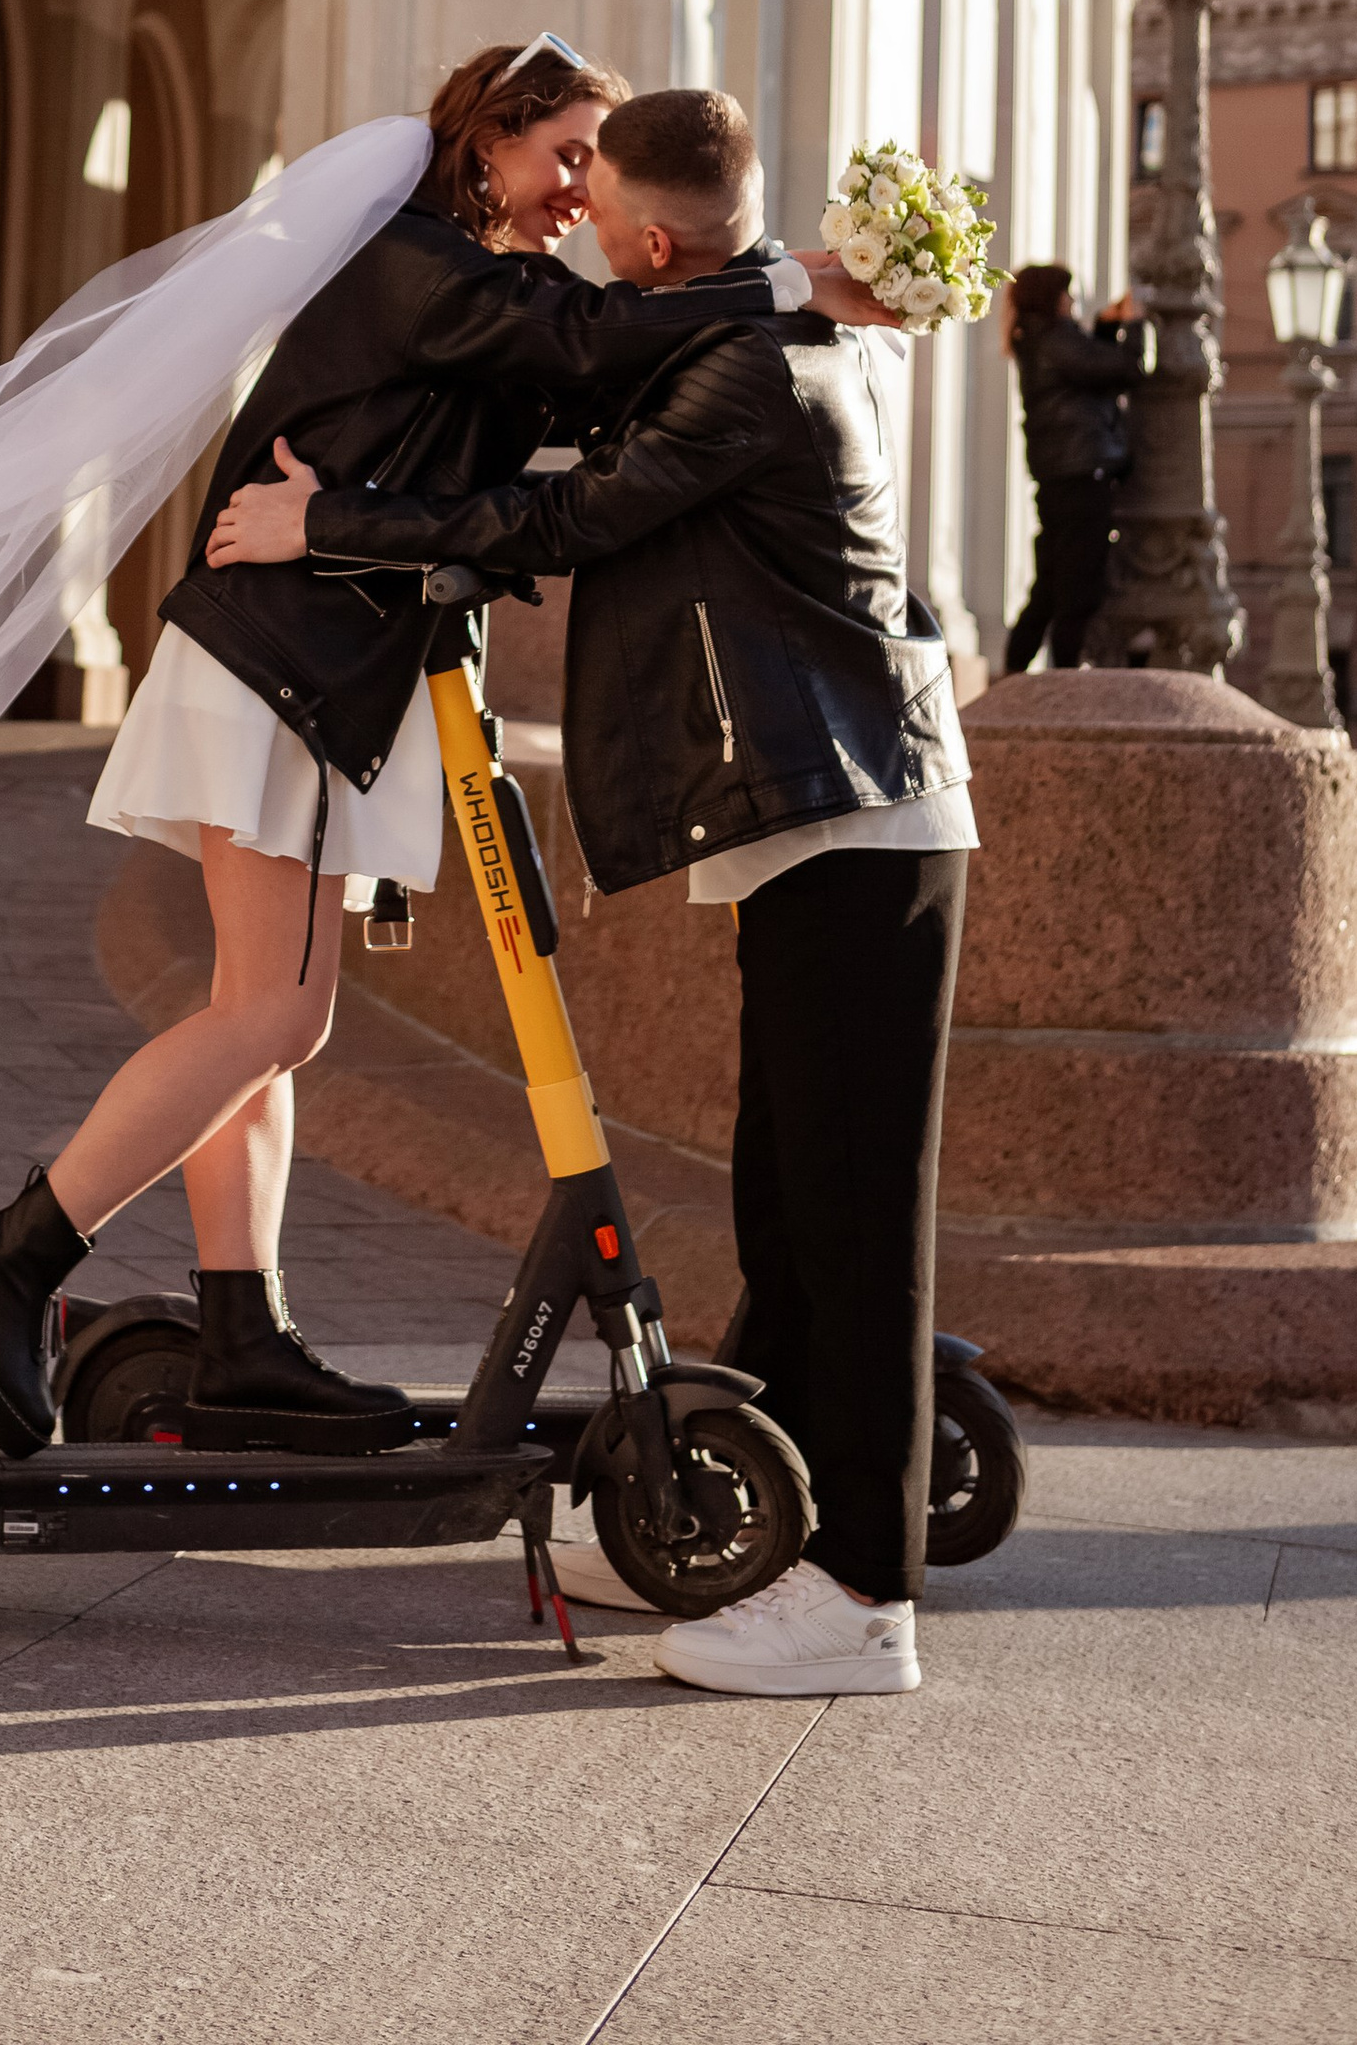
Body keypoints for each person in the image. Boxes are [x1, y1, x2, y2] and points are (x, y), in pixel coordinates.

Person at [0, 38, 896, 1464]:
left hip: (305, 668)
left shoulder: (479, 287)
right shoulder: (414, 259)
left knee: (264, 1016)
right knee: (277, 1017)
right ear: (490, 139)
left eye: (597, 171)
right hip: (284, 664)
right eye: (565, 156)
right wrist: (798, 278)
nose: (576, 191)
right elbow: (587, 347)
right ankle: (4, 1257)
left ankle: (240, 1338)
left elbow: (589, 387)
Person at [208, 85, 973, 1698]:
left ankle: (860, 1599)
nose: (584, 247)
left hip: (867, 825)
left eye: (597, 210)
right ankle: (741, 1528)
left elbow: (568, 513)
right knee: (793, 1206)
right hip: (822, 821)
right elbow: (556, 436)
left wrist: (316, 523)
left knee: (856, 1222)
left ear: (644, 233)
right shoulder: (743, 344)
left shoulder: (754, 373)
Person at [1000, 262, 1143, 673]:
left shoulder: (1041, 339)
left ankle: (1013, 679)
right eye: (1068, 292)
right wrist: (1133, 326)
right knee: (1078, 589)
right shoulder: (1054, 340)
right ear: (1052, 297)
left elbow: (1090, 371)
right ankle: (1064, 679)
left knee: (1049, 587)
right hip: (1082, 477)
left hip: (1061, 478)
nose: (1073, 300)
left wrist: (1103, 323)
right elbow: (1122, 370)